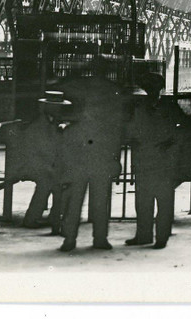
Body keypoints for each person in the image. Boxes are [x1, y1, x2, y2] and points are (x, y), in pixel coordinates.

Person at [55, 65, 128, 252]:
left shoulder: (78, 119)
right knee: (100, 202)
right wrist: (115, 160)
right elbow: (115, 141)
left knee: (74, 201)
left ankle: (70, 238)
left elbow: (69, 143)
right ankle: (99, 238)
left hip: (82, 162)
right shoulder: (109, 117)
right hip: (100, 161)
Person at [125, 75, 183, 249]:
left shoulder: (167, 106)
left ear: (159, 89)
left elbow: (182, 128)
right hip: (146, 156)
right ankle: (144, 235)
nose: (151, 91)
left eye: (153, 88)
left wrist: (171, 144)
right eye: (148, 88)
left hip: (162, 157)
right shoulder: (142, 106)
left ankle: (161, 237)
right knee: (144, 199)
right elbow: (131, 129)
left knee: (162, 198)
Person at [19, 90, 69, 233]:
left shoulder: (52, 122)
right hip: (35, 163)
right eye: (55, 107)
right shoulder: (40, 125)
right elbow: (37, 151)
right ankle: (33, 218)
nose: (58, 110)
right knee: (49, 182)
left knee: (60, 180)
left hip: (45, 163)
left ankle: (53, 216)